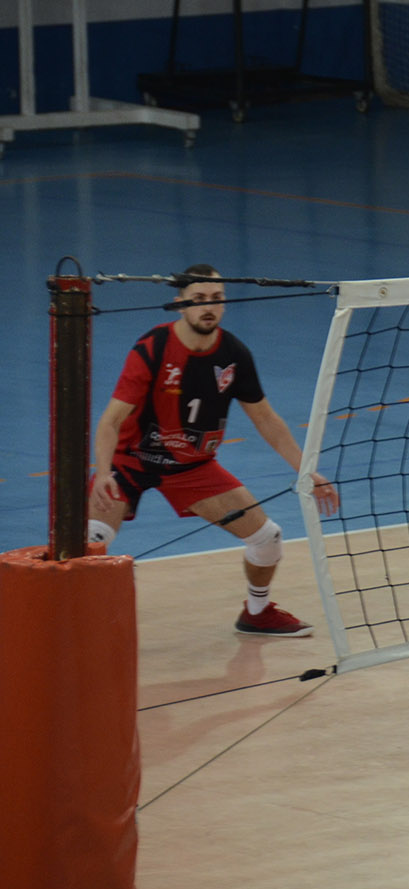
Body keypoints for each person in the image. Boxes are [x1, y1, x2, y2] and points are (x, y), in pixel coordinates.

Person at [87, 264, 340, 636]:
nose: (208, 306)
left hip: (192, 467)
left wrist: (306, 471)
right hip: (131, 461)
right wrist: (103, 472)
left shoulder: (234, 355)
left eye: (217, 299)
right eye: (199, 299)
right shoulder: (153, 348)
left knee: (268, 540)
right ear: (180, 304)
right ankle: (77, 624)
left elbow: (266, 419)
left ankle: (256, 613)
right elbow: (110, 420)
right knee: (90, 544)